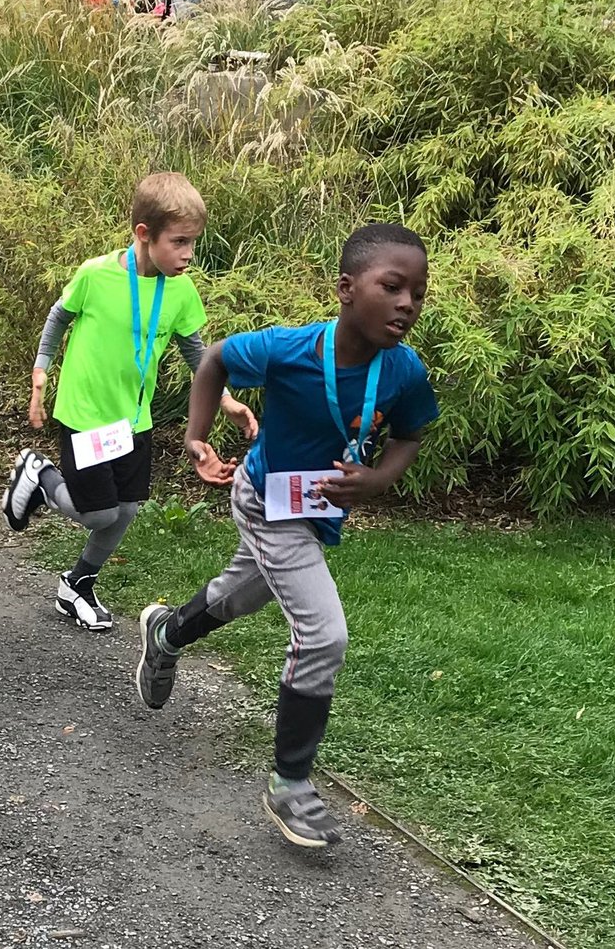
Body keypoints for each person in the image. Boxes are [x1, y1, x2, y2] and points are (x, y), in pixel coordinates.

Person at [132, 222, 438, 851]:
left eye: (418, 291)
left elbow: (410, 432)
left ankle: (167, 634)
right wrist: (196, 434)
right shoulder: (290, 349)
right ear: (348, 289)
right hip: (266, 501)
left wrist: (378, 478)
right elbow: (215, 360)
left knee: (243, 593)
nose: (408, 303)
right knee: (323, 632)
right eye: (393, 286)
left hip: (313, 511)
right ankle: (290, 785)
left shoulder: (404, 370)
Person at [0, 173, 255, 632]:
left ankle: (77, 584)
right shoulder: (96, 275)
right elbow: (60, 316)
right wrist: (42, 366)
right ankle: (40, 477)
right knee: (98, 512)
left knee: (128, 510)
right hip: (85, 413)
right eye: (179, 242)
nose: (188, 254)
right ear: (144, 234)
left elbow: (197, 353)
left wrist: (227, 402)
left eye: (193, 243)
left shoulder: (180, 290)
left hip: (132, 420)